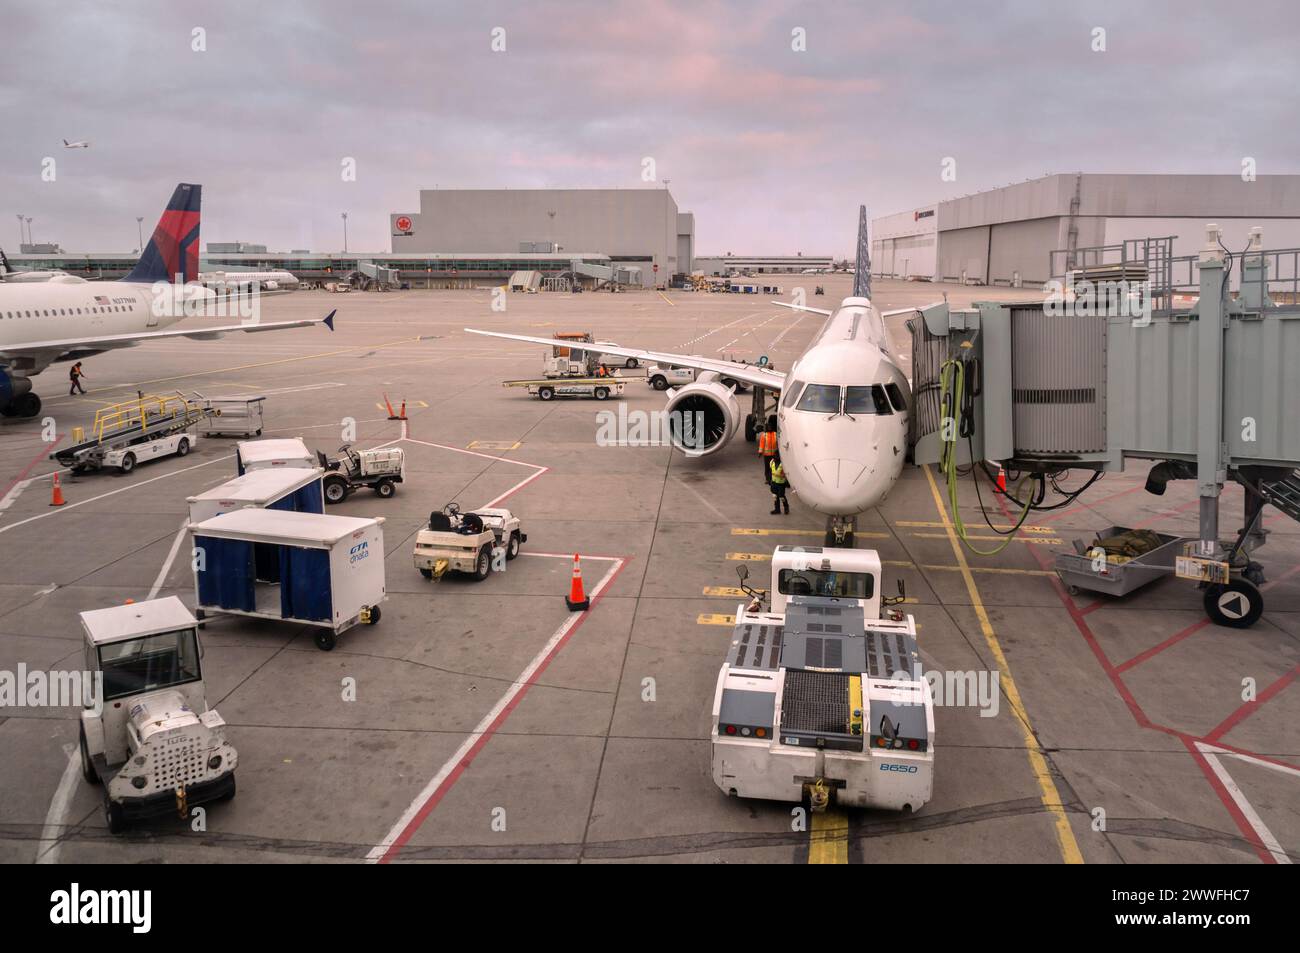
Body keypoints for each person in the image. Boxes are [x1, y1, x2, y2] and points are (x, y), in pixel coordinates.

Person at [757, 415, 778, 483]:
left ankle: (772, 478)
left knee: (773, 467)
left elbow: (778, 444)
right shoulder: (764, 435)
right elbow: (761, 445)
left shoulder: (775, 434)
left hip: (774, 455)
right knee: (767, 468)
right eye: (768, 427)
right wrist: (760, 452)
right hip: (767, 455)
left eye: (770, 427)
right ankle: (767, 479)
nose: (769, 428)